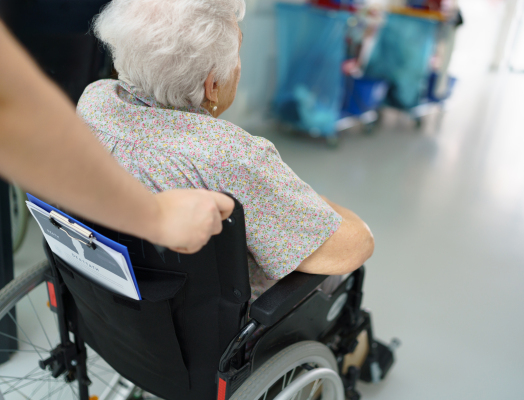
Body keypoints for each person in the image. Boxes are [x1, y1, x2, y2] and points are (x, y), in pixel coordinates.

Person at [77, 0, 375, 299]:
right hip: (223, 321)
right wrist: (325, 203)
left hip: (123, 300)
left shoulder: (94, 102)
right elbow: (352, 247)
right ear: (213, 84)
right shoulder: (232, 156)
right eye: (237, 55)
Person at [0, 20, 234, 254]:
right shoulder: (241, 156)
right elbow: (10, 107)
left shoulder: (94, 98)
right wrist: (156, 215)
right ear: (212, 83)